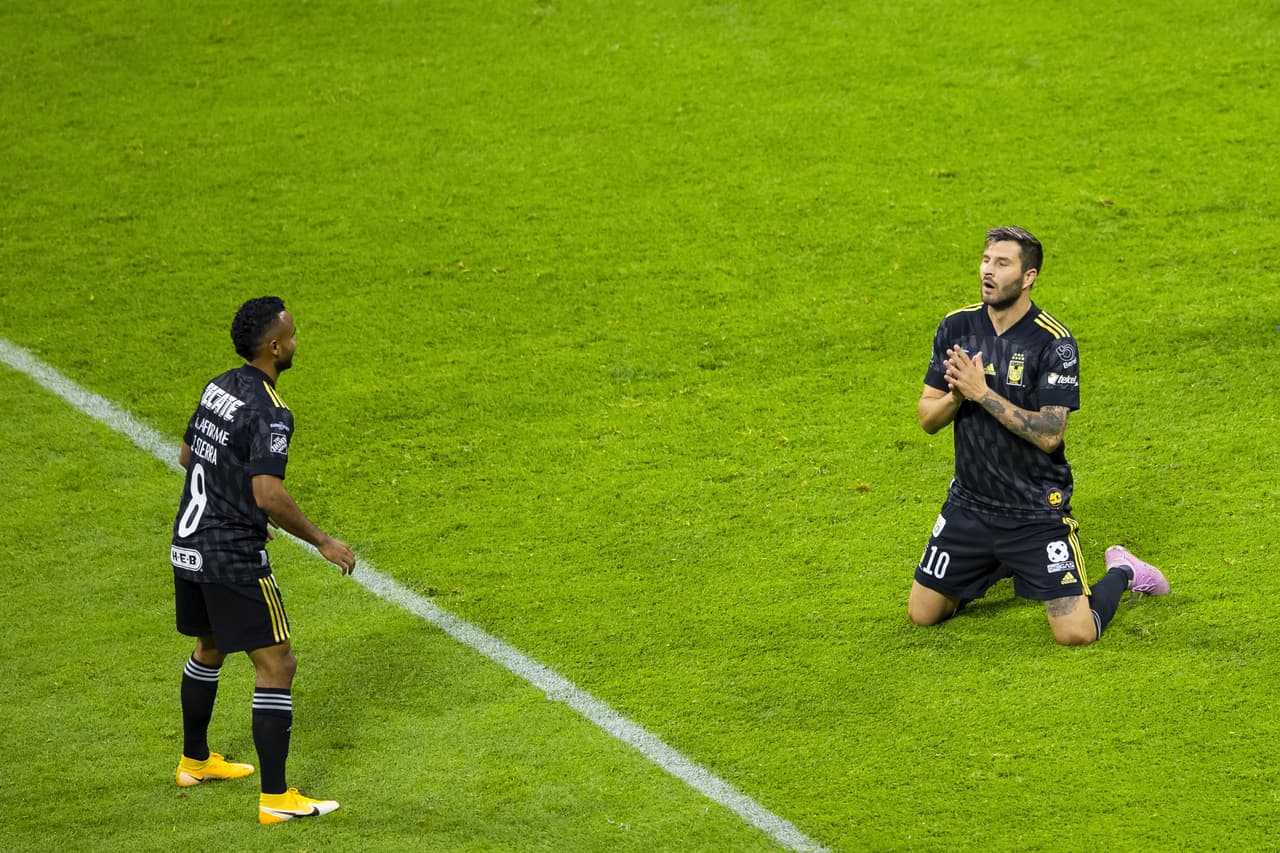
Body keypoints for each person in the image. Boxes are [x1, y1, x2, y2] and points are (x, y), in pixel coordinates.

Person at [908, 226, 1169, 645]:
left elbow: (1050, 434)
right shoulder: (957, 327)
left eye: (1002, 263)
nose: (988, 271)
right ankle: (1001, 561)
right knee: (923, 615)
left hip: (1034, 512)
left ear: (1028, 276)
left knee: (1076, 634)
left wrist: (981, 393)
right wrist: (956, 399)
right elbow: (927, 417)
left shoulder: (1054, 342)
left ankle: (1124, 570)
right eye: (986, 260)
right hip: (970, 507)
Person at [169, 296, 356, 822]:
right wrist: (321, 540)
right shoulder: (271, 410)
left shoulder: (218, 386)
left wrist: (244, 509)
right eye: (292, 336)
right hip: (230, 554)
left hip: (188, 542)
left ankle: (195, 761)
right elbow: (269, 491)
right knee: (278, 664)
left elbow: (190, 457)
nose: (296, 342)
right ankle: (277, 799)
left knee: (209, 645)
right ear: (274, 347)